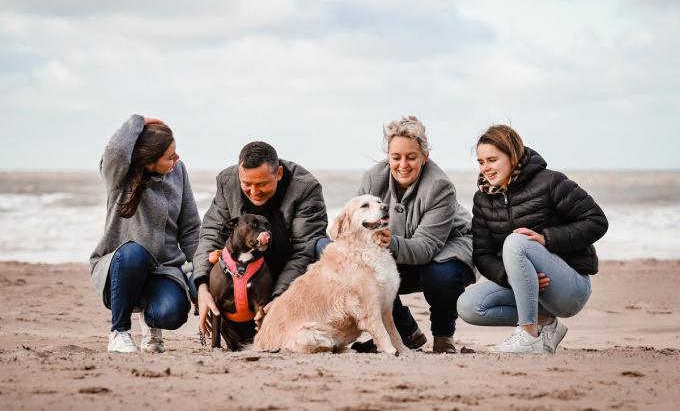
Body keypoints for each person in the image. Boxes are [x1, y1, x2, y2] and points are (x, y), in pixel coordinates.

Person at [457, 125, 608, 354]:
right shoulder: (483, 199)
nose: (485, 168)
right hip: (532, 291)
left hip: (569, 288)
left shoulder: (550, 182)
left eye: (492, 160)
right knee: (468, 306)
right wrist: (513, 277)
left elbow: (597, 221)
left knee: (516, 241)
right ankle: (546, 322)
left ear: (512, 155)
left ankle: (528, 335)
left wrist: (547, 239)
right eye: (481, 162)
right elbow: (483, 254)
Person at [337, 116, 476, 353]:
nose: (403, 164)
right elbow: (356, 227)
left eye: (411, 157)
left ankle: (444, 337)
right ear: (388, 157)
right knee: (357, 265)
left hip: (446, 248)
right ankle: (406, 332)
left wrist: (389, 243)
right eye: (396, 157)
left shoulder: (440, 186)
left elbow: (426, 247)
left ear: (424, 157)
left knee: (441, 274)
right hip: (397, 247)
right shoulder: (373, 178)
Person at [192, 141, 328, 338]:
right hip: (238, 279)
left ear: (278, 173)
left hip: (285, 275)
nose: (254, 192)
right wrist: (202, 288)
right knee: (194, 278)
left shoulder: (306, 188)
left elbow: (304, 250)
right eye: (247, 184)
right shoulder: (227, 181)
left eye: (262, 184)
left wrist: (279, 297)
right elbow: (211, 234)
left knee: (323, 248)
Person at [90, 115, 201, 353]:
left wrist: (201, 272)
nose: (177, 159)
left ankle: (151, 325)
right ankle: (119, 333)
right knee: (134, 253)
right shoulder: (120, 176)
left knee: (172, 314)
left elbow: (190, 227)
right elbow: (117, 150)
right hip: (120, 266)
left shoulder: (178, 171)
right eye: (170, 156)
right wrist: (136, 121)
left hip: (163, 269)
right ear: (149, 162)